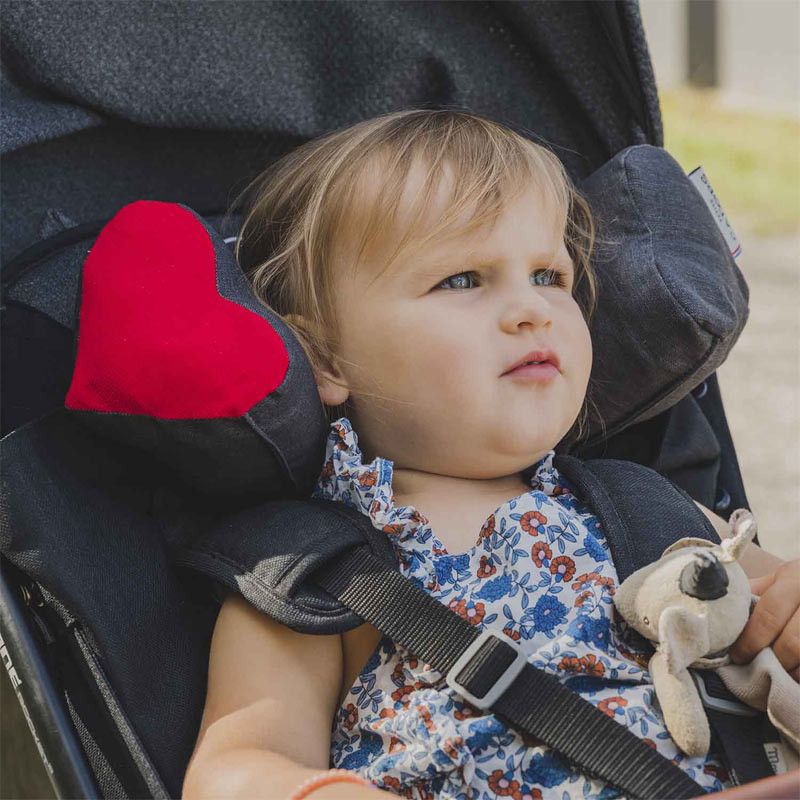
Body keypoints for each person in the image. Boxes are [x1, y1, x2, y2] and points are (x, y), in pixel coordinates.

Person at [182, 109, 799, 800]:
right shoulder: (312, 572)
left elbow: (781, 607)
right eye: (463, 280)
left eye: (548, 276)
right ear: (325, 355)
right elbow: (233, 769)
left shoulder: (646, 506)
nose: (530, 310)